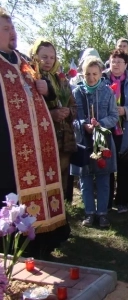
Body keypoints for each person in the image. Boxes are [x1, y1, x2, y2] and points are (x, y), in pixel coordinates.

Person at [0, 7, 70, 259]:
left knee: (44, 187)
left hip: (39, 143)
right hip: (9, 144)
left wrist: (47, 89)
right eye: (6, 29)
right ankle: (16, 246)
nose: (13, 33)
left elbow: (47, 94)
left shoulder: (24, 61)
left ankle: (44, 242)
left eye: (13, 28)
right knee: (13, 191)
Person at [71, 56, 118, 228]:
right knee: (85, 179)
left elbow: (114, 116)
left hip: (103, 140)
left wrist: (101, 124)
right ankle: (89, 212)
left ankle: (103, 213)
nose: (91, 78)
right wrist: (84, 125)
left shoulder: (108, 92)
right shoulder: (77, 93)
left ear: (100, 74)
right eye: (88, 74)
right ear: (83, 75)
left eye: (95, 74)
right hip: (84, 141)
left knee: (103, 178)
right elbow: (73, 119)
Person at [30, 38, 77, 201]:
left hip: (64, 137)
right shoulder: (30, 78)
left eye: (52, 57)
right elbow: (28, 111)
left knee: (62, 176)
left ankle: (62, 213)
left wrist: (67, 112)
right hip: (42, 139)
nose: (48, 61)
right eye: (44, 57)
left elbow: (74, 107)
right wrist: (51, 115)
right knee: (44, 177)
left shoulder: (61, 79)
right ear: (35, 56)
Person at [103, 49, 128, 214]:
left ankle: (122, 201)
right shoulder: (102, 78)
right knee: (106, 164)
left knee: (124, 165)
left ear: (125, 65)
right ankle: (107, 201)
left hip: (125, 129)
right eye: (113, 61)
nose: (115, 65)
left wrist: (126, 111)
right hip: (105, 129)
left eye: (119, 62)